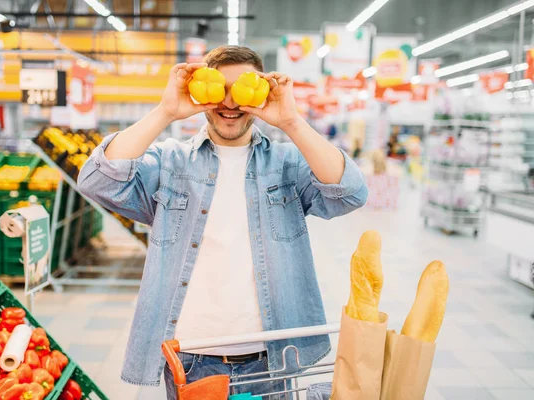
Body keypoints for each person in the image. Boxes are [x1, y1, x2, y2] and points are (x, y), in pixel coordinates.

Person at [77, 45, 368, 399]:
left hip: (271, 356)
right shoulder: (171, 161)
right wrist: (167, 110)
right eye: (220, 88)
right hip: (192, 355)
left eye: (242, 89)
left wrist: (291, 121)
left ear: (261, 93)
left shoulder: (287, 163)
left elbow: (351, 192)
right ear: (201, 89)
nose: (230, 103)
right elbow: (97, 181)